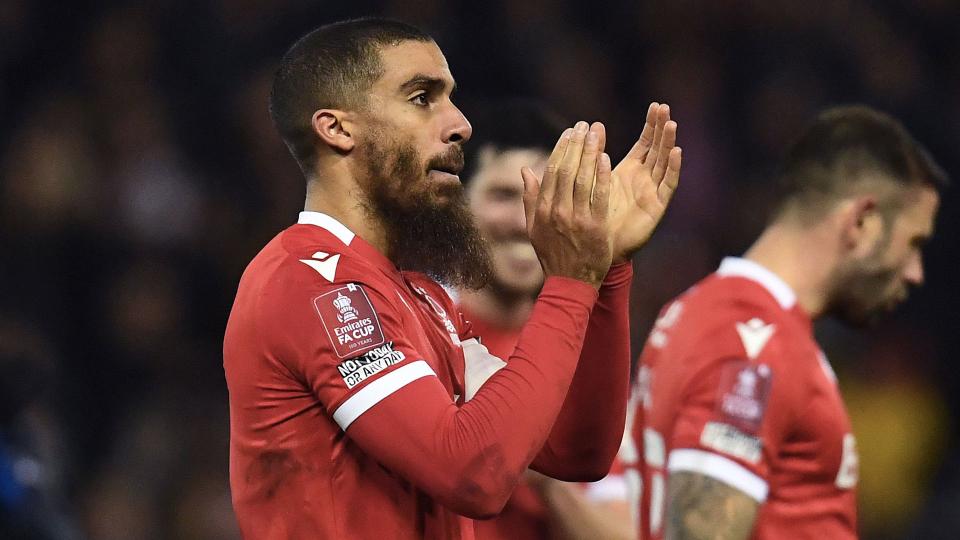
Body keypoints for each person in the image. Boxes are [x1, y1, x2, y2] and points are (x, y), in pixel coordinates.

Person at [223, 18, 682, 539]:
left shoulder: (424, 295)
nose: (459, 123)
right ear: (338, 129)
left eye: (451, 98)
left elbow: (576, 449)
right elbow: (473, 474)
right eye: (422, 98)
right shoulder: (310, 283)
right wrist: (571, 281)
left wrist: (605, 271)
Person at [626, 105, 946, 539]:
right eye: (913, 243)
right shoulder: (753, 341)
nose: (915, 271)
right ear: (862, 222)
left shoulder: (709, 313)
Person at [458, 99, 636, 540]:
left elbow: (621, 532)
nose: (526, 223)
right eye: (503, 196)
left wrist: (542, 468)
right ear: (457, 206)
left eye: (546, 200)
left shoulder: (588, 360)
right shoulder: (414, 330)